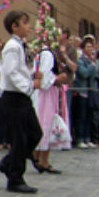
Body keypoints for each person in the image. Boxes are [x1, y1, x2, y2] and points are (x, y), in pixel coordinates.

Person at [0, 10, 42, 193]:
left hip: (21, 97)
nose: (29, 27)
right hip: (14, 97)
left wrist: (32, 75)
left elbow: (20, 70)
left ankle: (8, 162)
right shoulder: (12, 46)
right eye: (25, 23)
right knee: (20, 138)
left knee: (35, 134)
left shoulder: (20, 45)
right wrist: (31, 85)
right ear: (15, 26)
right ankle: (15, 177)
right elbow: (11, 72)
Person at [31, 43, 69, 173]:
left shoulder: (42, 54)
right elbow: (45, 78)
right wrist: (58, 78)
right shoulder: (46, 54)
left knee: (44, 123)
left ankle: (38, 157)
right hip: (45, 95)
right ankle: (43, 160)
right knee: (46, 123)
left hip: (45, 94)